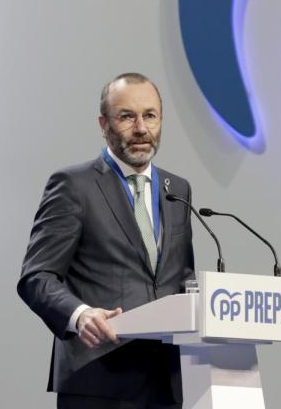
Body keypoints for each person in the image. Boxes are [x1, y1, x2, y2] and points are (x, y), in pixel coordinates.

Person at [18, 72, 195, 409]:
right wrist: (80, 314)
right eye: (127, 116)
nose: (141, 128)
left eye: (150, 115)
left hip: (166, 383)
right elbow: (37, 277)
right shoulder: (74, 185)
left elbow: (181, 277)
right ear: (104, 124)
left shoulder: (178, 190)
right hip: (99, 379)